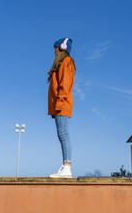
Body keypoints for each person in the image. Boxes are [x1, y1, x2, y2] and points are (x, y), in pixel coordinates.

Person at [47, 38, 76, 178]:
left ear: (62, 48)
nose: (54, 50)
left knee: (63, 134)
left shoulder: (67, 62)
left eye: (56, 48)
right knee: (61, 134)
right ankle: (65, 167)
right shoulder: (61, 63)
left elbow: (65, 83)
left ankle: (67, 168)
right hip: (59, 104)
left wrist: (59, 102)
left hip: (62, 103)